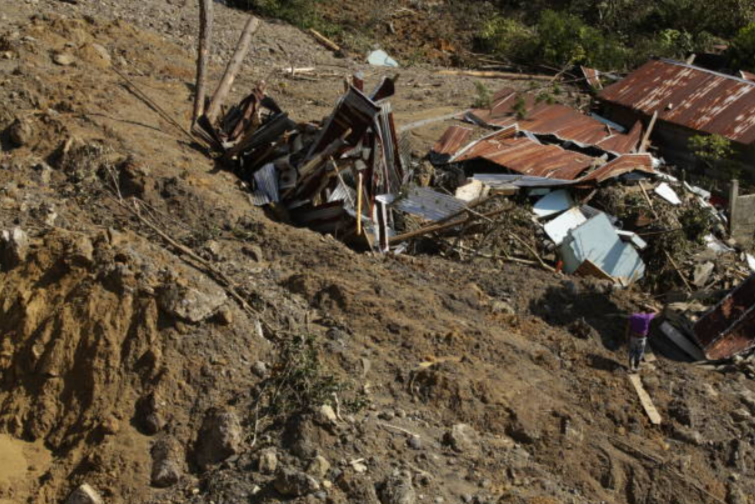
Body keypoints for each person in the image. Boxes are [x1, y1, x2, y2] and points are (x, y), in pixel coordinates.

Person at [626, 305, 660, 372]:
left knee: (632, 352)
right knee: (639, 353)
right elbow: (658, 312)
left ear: (639, 309)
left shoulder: (633, 316)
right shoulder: (647, 317)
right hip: (641, 339)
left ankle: (630, 367)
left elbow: (628, 328)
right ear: (647, 311)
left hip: (633, 337)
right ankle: (635, 367)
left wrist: (626, 337)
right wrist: (650, 306)